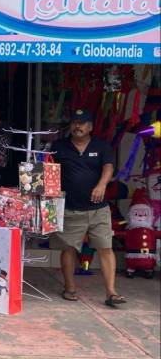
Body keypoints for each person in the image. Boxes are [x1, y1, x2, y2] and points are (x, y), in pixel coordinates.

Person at [51, 109, 125, 307]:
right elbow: (49, 170)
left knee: (106, 248)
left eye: (82, 122)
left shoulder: (102, 146)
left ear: (90, 126)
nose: (78, 126)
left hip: (98, 209)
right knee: (68, 249)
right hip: (70, 208)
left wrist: (102, 185)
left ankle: (111, 292)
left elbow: (108, 168)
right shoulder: (59, 147)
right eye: (75, 122)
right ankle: (70, 288)